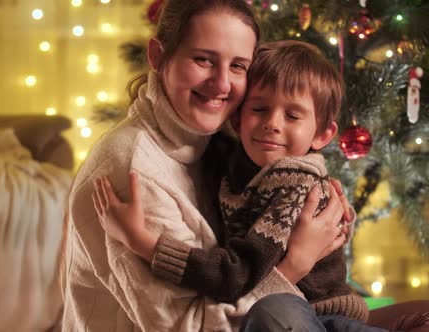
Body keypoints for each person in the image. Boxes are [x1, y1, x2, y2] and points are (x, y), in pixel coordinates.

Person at [61, 1, 351, 331]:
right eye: (203, 59)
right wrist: (295, 264)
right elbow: (191, 326)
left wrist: (333, 215)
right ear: (157, 56)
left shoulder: (219, 144)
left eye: (238, 66)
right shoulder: (133, 171)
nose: (222, 83)